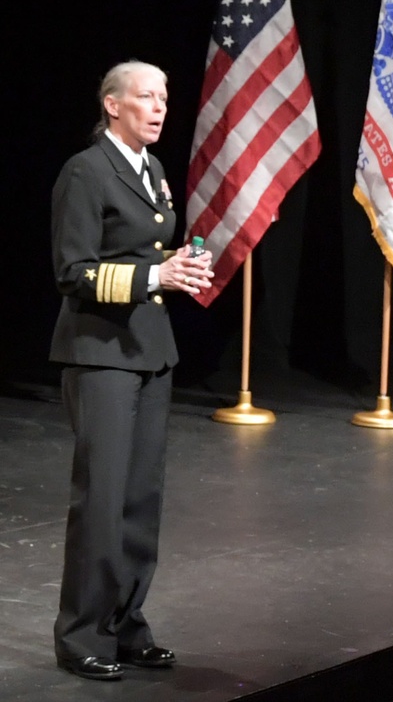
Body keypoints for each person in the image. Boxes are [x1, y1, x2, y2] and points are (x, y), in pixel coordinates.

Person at [49, 60, 214, 681]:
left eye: (165, 97)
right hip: (100, 355)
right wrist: (155, 276)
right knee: (103, 498)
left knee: (141, 499)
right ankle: (81, 635)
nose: (160, 106)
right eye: (146, 96)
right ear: (112, 104)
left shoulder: (154, 171)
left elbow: (142, 250)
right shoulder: (86, 172)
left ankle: (125, 625)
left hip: (151, 351)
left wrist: (176, 262)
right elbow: (72, 272)